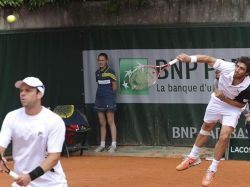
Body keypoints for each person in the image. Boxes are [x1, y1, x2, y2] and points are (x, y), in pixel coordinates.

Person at [175, 53, 250, 187]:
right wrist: (189, 59)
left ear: (247, 73)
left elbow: (240, 105)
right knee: (207, 127)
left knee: (225, 136)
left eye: (242, 69)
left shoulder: (247, 86)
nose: (237, 70)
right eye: (237, 66)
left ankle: (212, 169)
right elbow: (207, 59)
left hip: (232, 108)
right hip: (216, 102)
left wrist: (224, 98)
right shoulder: (228, 67)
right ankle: (193, 157)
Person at [0, 77, 68, 187]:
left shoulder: (54, 120)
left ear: (39, 94)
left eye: (28, 90)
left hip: (52, 184)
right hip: (22, 183)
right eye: (21, 91)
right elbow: (1, 145)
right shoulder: (11, 117)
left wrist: (30, 176)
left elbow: (54, 157)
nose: (22, 94)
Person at [94, 53, 118, 153]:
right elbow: (99, 85)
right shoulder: (97, 73)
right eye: (99, 60)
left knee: (110, 121)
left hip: (108, 99)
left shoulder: (111, 72)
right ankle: (102, 145)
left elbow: (114, 87)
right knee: (102, 123)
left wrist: (110, 97)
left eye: (102, 60)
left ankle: (113, 145)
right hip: (99, 99)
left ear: (106, 61)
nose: (100, 62)